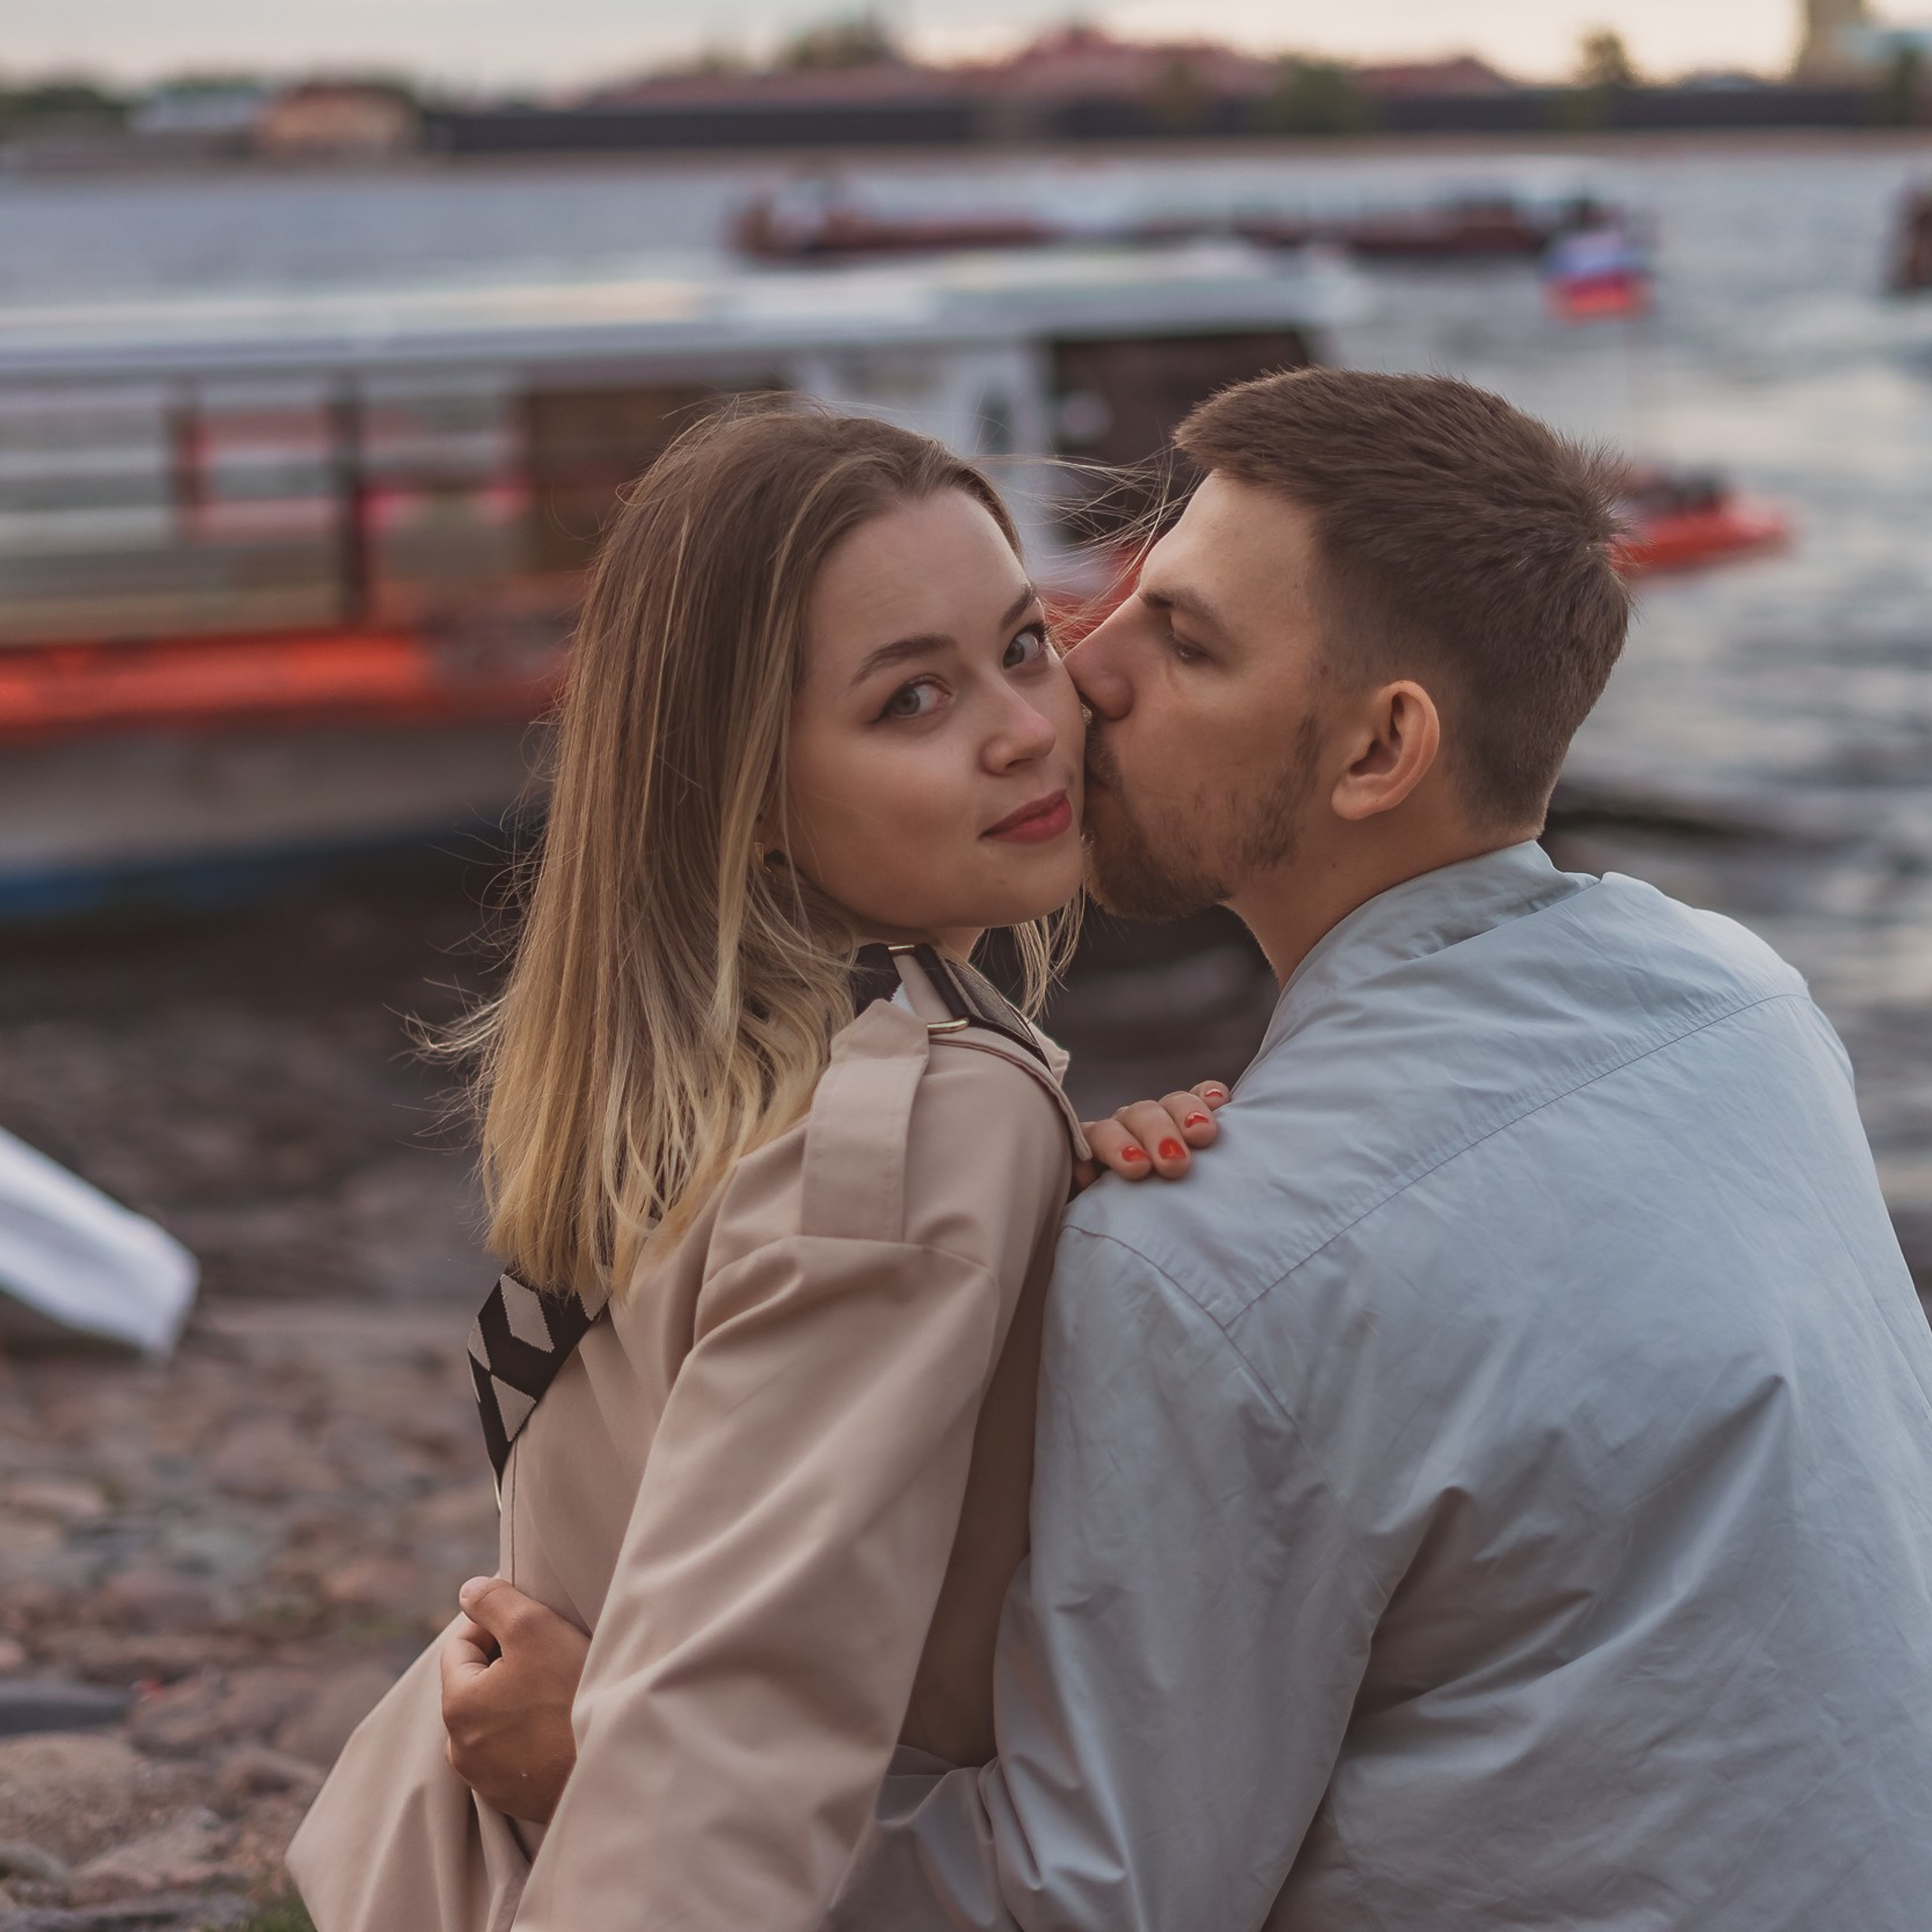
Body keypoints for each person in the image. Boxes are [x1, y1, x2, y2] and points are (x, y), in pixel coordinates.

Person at [450, 370, 1932, 1930]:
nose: (1083, 675)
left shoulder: (1205, 1261)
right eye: (1116, 600)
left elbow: (1077, 1905)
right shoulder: (1743, 999)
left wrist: (600, 1772)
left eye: (1186, 639)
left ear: (1378, 750)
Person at [283, 402, 1226, 1932]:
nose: (1024, 728)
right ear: (749, 794)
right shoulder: (922, 1125)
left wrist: (1068, 1207)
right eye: (911, 699)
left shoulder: (728, 1074)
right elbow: (734, 1720)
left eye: (1022, 645)